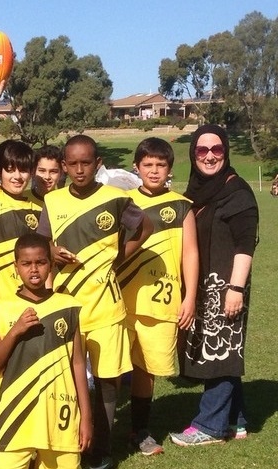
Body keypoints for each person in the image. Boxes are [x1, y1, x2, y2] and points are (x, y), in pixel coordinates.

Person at [36, 134, 152, 469]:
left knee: (107, 382)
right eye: (72, 164)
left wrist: (119, 258)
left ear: (97, 163)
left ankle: (101, 452)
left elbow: (144, 227)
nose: (79, 169)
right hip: (66, 307)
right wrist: (52, 252)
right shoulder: (54, 201)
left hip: (106, 308)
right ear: (64, 166)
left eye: (86, 162)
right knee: (64, 379)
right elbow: (41, 244)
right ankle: (67, 443)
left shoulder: (116, 198)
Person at [170, 125, 259, 447]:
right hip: (206, 286)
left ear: (226, 152)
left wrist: (235, 289)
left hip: (227, 287)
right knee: (225, 352)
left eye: (216, 149)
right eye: (202, 150)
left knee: (219, 352)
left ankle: (209, 425)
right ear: (194, 154)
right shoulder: (197, 191)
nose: (209, 156)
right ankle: (236, 420)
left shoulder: (237, 192)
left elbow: (246, 243)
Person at [115, 137, 198, 455]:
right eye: (147, 164)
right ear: (136, 168)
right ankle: (99, 427)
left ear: (169, 169)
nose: (153, 170)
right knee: (110, 367)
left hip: (161, 303)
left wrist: (189, 296)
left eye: (160, 165)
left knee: (146, 370)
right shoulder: (122, 201)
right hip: (121, 299)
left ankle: (139, 430)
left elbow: (189, 253)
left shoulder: (182, 205)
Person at [0, 233, 92, 469]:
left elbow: (77, 364)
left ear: (51, 265)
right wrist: (15, 331)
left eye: (41, 263)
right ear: (16, 266)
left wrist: (86, 416)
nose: (34, 270)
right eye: (26, 263)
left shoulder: (69, 306)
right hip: (13, 417)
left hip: (59, 415)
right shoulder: (0, 309)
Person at [0, 82, 41, 302]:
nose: (17, 176)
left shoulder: (40, 207)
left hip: (31, 304)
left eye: (23, 170)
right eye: (10, 169)